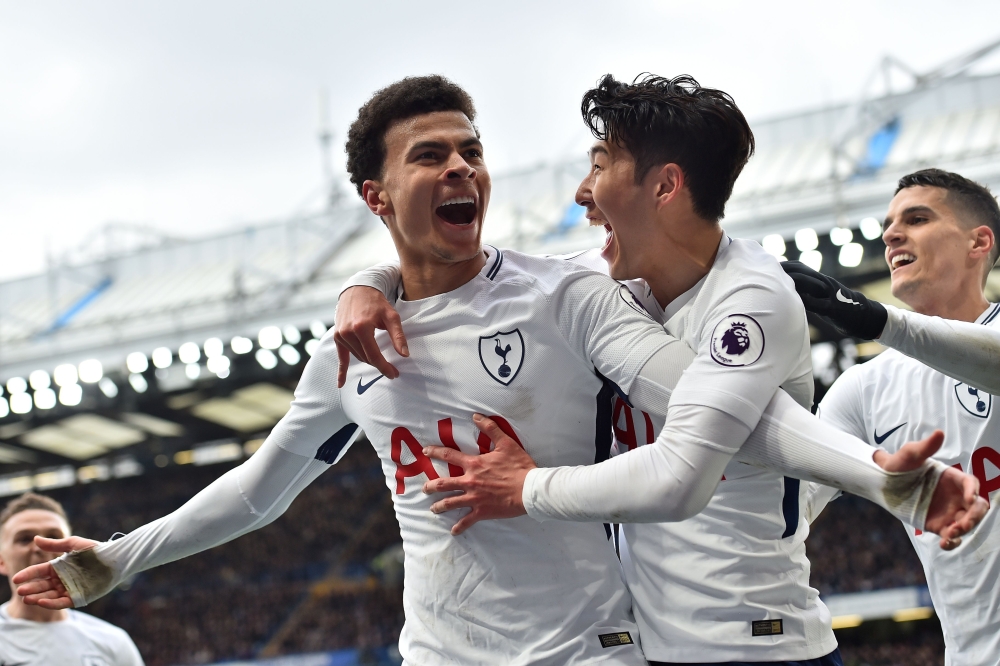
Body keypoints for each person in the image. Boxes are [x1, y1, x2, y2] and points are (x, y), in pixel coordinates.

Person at [13, 77, 980, 666]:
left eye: (472, 151)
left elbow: (716, 409)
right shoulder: (354, 348)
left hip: (594, 650)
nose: (463, 169)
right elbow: (261, 491)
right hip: (437, 652)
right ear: (376, 194)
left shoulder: (567, 294)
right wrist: (116, 560)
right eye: (430, 155)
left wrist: (872, 473)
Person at [332, 75, 988, 666]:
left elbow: (686, 473)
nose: (583, 194)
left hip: (758, 647)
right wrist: (367, 286)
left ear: (665, 187)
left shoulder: (750, 298)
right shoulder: (603, 287)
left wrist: (527, 487)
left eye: (600, 167)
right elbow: (481, 280)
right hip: (655, 646)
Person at [781, 168, 1000, 666]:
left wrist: (873, 318)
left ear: (978, 242)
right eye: (888, 224)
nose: (891, 234)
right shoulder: (863, 389)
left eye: (917, 219)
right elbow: (790, 506)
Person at [0, 492, 144, 666]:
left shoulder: (113, 642)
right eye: (24, 539)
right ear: (1, 561)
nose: (40, 546)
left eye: (54, 537)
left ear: (71, 551)